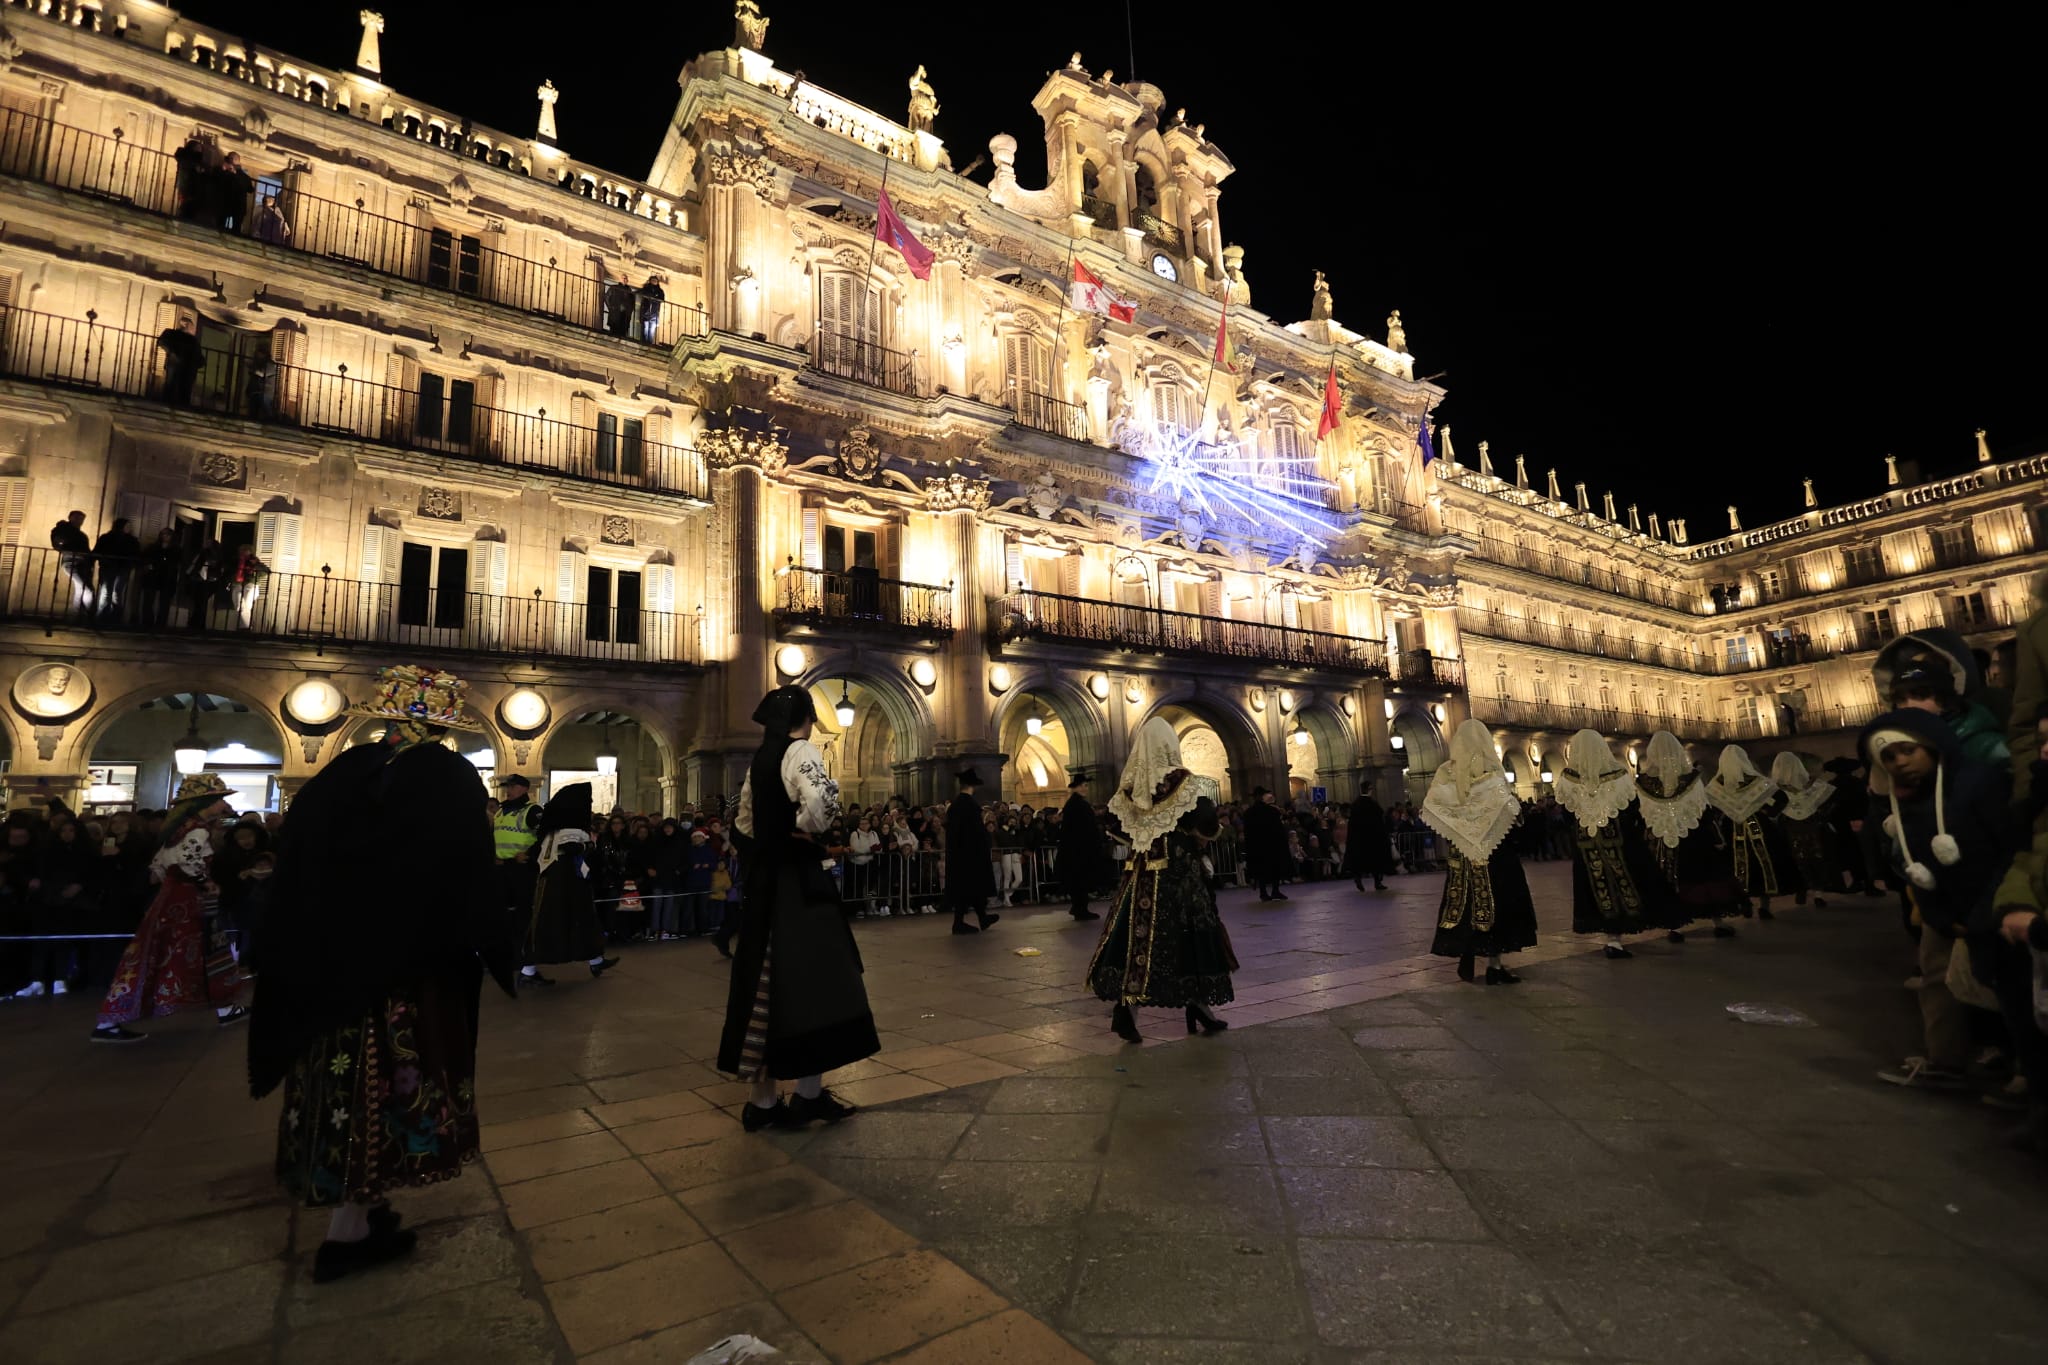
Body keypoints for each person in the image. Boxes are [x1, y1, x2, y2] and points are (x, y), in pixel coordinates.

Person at [250, 669, 517, 1282]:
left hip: (324, 963)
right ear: (445, 727)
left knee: (339, 1086)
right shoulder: (445, 775)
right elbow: (466, 868)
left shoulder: (342, 773)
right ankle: (346, 1236)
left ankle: (364, 1212)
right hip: (401, 968)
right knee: (382, 1087)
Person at [719, 685, 879, 1130]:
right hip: (799, 885)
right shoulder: (801, 750)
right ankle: (808, 1096)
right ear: (804, 718)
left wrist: (767, 843)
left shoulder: (759, 761)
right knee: (819, 983)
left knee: (763, 986)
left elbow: (743, 826)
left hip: (764, 887)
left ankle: (762, 1102)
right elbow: (822, 804)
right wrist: (807, 831)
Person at [1861, 710, 2013, 1094]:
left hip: (1993, 903)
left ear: (1931, 746)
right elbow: (1911, 860)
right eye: (1889, 757)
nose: (1900, 762)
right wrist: (1939, 915)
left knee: (2007, 988)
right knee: (1936, 981)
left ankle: (2023, 1072)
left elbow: (2007, 848)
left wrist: (1985, 912)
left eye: (1907, 750)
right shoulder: (1903, 799)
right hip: (1942, 907)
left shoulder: (1978, 782)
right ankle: (1945, 1061)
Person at [1086, 717, 1236, 1042]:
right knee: (1189, 937)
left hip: (1140, 875)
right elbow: (1206, 823)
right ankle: (1199, 1004)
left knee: (1138, 939)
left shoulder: (1131, 786)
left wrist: (1147, 833)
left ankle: (1128, 1010)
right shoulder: (1180, 780)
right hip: (1178, 876)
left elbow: (1116, 828)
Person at [90, 774, 249, 1042]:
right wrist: (206, 883)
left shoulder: (179, 829)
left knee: (181, 950)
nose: (224, 804)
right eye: (219, 799)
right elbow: (187, 861)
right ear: (204, 802)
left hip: (173, 898)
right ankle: (112, 1020)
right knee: (194, 949)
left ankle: (225, 1006)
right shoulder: (197, 830)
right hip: (186, 902)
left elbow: (160, 866)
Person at [1420, 719, 1537, 984]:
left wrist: (1460, 830)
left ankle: (1469, 950)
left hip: (1462, 855)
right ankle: (1495, 964)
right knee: (1499, 902)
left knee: (1467, 903)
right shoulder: (1491, 773)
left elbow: (1434, 808)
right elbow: (1509, 810)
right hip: (1495, 854)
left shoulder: (1446, 774)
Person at [1553, 728, 1663, 960]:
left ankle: (1611, 938)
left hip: (1586, 844)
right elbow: (1631, 809)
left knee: (1596, 886)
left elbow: (1567, 814)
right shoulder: (1619, 776)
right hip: (1620, 841)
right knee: (1625, 880)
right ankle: (1618, 935)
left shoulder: (1568, 779)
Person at [1992, 698, 2048, 1156]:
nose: (2044, 750)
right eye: (2042, 740)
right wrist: (2016, 906)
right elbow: (2025, 856)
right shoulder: (2038, 800)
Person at [1636, 730, 1740, 941]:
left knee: (1669, 878)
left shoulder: (1643, 783)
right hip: (1693, 836)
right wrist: (1716, 837)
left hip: (1660, 838)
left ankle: (1674, 927)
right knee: (1704, 877)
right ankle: (1717, 922)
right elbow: (1703, 809)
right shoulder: (1691, 779)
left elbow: (1641, 813)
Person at [520, 783, 617, 985]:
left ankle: (595, 960)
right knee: (568, 921)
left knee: (561, 921)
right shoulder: (572, 830)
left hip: (552, 882)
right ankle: (528, 970)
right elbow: (573, 849)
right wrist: (587, 846)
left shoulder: (552, 830)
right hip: (568, 884)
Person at [1875, 628, 2011, 766]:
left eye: (1920, 693)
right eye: (1900, 698)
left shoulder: (1991, 732)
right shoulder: (1896, 751)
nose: (1910, 704)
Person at [1706, 745, 1801, 920]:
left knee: (1735, 866)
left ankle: (1744, 901)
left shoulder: (1715, 785)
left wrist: (1722, 818)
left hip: (1730, 829)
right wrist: (1767, 812)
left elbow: (1710, 809)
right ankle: (1764, 906)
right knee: (1763, 864)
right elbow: (1781, 798)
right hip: (1759, 826)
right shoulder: (1757, 781)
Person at [1769, 752, 1838, 908]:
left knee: (1796, 858)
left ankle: (1802, 888)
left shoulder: (1774, 790)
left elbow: (1771, 811)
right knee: (1816, 856)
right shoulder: (1813, 785)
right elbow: (1829, 803)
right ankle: (1818, 894)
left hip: (1789, 827)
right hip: (1812, 826)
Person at [944, 768, 999, 934]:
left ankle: (982, 918)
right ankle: (959, 923)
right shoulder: (970, 805)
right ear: (972, 786)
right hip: (971, 855)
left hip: (959, 855)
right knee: (969, 888)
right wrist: (985, 841)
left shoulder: (955, 805)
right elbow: (975, 832)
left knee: (971, 888)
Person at [493, 775, 544, 930]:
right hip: (500, 867)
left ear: (524, 789)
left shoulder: (532, 810)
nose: (508, 790)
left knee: (522, 910)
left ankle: (521, 939)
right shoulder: (500, 811)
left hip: (521, 868)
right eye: (507, 787)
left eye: (512, 787)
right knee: (500, 909)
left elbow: (544, 836)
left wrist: (528, 854)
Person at [1057, 771, 1104, 921]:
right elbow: (1083, 828)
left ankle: (1079, 907)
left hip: (1076, 849)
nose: (1085, 788)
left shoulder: (1075, 803)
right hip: (1079, 850)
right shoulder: (1078, 804)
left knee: (1078, 879)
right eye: (1082, 786)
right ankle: (1080, 909)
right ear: (1075, 787)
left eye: (1086, 786)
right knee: (1080, 879)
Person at [1242, 787, 1290, 901]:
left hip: (1257, 847)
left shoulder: (1249, 813)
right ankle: (1275, 890)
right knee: (1274, 868)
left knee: (1261, 869)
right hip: (1272, 845)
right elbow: (1279, 830)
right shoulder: (1271, 811)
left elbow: (1247, 832)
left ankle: (1263, 892)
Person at [1342, 790, 1395, 891]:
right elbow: (1380, 820)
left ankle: (1358, 878)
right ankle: (1377, 882)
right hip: (1373, 839)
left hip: (1360, 840)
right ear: (1369, 790)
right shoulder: (1373, 804)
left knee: (1359, 861)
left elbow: (1352, 825)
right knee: (1376, 860)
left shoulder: (1356, 805)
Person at [92, 517, 142, 621]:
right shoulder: (107, 537)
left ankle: (115, 617)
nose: (129, 528)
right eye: (127, 525)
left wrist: (132, 563)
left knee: (116, 592)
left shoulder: (132, 540)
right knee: (107, 591)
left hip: (122, 568)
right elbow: (97, 551)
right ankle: (102, 616)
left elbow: (136, 554)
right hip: (109, 567)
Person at [50, 510, 94, 612]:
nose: (79, 521)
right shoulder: (63, 530)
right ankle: (89, 614)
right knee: (87, 589)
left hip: (81, 563)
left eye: (81, 519)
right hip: (70, 561)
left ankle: (77, 614)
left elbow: (86, 550)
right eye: (77, 518)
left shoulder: (81, 535)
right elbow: (57, 543)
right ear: (70, 518)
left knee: (80, 589)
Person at [138, 527, 181, 628]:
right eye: (163, 534)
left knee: (164, 602)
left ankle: (161, 623)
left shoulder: (176, 549)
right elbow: (144, 557)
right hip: (153, 576)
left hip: (167, 577)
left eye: (168, 535)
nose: (165, 536)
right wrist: (148, 565)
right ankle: (147, 622)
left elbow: (177, 562)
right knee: (149, 600)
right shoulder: (154, 547)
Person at [157, 316, 203, 407]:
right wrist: (173, 353)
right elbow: (162, 342)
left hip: (185, 367)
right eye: (191, 326)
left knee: (182, 388)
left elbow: (198, 356)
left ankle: (176, 405)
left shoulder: (192, 340)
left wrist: (198, 363)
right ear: (186, 325)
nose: (193, 329)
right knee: (173, 386)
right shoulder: (172, 333)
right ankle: (170, 405)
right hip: (176, 365)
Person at [226, 543, 269, 629]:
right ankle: (247, 626)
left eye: (246, 550)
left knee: (247, 605)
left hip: (251, 584)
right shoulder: (235, 561)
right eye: (242, 550)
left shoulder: (255, 561)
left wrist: (255, 564)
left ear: (250, 552)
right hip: (237, 584)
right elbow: (228, 571)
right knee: (239, 606)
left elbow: (266, 572)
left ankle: (244, 628)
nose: (244, 552)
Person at [635, 275, 665, 344]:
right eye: (653, 280)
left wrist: (654, 298)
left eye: (655, 280)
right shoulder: (646, 288)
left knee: (651, 330)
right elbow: (638, 292)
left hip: (654, 314)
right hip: (646, 312)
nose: (654, 281)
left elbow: (662, 299)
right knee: (645, 329)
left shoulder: (660, 291)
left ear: (657, 282)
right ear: (650, 281)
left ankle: (649, 343)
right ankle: (644, 342)